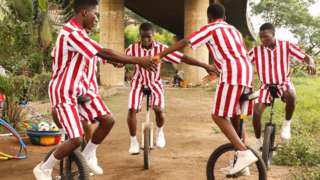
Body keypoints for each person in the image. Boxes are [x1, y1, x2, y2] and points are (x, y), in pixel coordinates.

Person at [33, 0, 157, 179]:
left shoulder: (82, 34)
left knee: (108, 120)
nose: (96, 19)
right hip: (63, 91)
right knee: (75, 138)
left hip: (80, 90)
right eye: (95, 14)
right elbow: (103, 52)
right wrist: (139, 60)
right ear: (84, 12)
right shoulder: (71, 33)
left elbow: (100, 55)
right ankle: (44, 168)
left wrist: (118, 61)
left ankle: (88, 155)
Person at [155, 3, 257, 175]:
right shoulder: (234, 30)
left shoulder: (210, 28)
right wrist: (217, 73)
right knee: (235, 117)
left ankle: (244, 152)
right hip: (247, 73)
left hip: (232, 73)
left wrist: (159, 55)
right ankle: (243, 165)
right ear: (225, 18)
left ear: (208, 18)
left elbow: (186, 42)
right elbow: (232, 54)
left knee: (218, 115)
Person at [124, 22, 217, 154]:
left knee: (158, 109)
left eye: (148, 37)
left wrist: (204, 65)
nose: (145, 40)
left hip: (155, 82)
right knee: (132, 109)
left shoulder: (161, 49)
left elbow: (183, 58)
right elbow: (122, 59)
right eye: (143, 37)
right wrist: (116, 62)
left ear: (153, 36)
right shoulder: (132, 49)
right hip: (137, 82)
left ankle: (160, 131)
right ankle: (133, 141)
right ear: (140, 35)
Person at [248, 23, 316, 147]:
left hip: (283, 82)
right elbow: (243, 61)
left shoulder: (286, 46)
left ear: (274, 35)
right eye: (261, 37)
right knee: (256, 114)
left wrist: (311, 63)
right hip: (266, 86)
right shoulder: (256, 51)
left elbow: (305, 57)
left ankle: (286, 124)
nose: (263, 40)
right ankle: (259, 142)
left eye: (266, 37)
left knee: (291, 94)